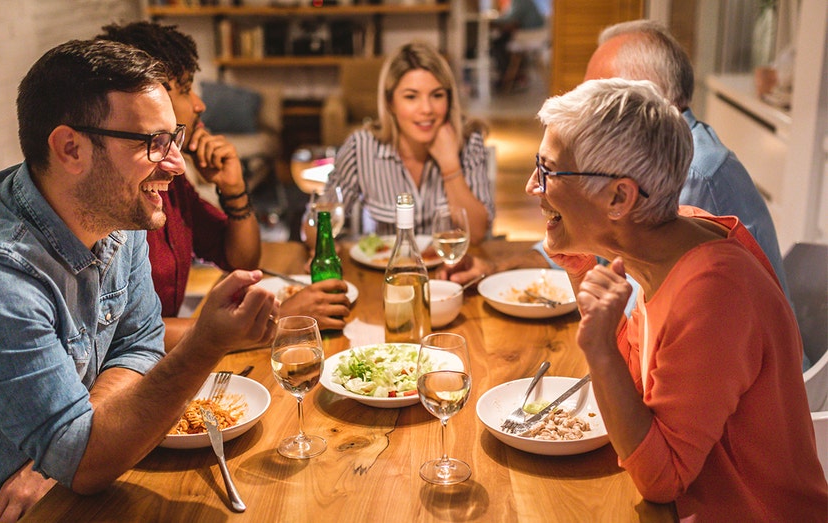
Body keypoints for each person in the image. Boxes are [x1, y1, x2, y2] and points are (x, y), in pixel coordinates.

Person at [0, 39, 278, 523]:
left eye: (173, 138)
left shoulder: (116, 214)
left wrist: (74, 439)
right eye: (151, 144)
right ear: (70, 148)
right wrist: (206, 344)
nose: (176, 163)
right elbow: (86, 462)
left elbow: (139, 344)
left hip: (60, 493)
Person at [527, 77, 826, 519]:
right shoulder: (676, 236)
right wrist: (582, 270)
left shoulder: (714, 293)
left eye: (549, 170)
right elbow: (639, 385)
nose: (533, 186)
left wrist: (599, 349)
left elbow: (662, 478)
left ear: (619, 196)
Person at [442, 20, 790, 296]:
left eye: (599, 95)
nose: (583, 106)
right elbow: (600, 236)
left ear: (645, 104)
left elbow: (637, 301)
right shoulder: (660, 158)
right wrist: (503, 268)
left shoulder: (690, 172)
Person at [96, 22, 351, 336]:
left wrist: (234, 189)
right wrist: (275, 319)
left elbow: (239, 259)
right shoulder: (110, 199)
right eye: (187, 89)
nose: (200, 105)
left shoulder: (169, 181)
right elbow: (130, 338)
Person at [325, 41, 495, 245]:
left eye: (437, 95)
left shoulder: (469, 142)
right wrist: (324, 246)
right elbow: (318, 224)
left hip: (449, 271)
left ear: (449, 100)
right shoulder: (360, 146)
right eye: (411, 97)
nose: (426, 109)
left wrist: (450, 165)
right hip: (386, 270)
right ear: (390, 102)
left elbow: (477, 234)